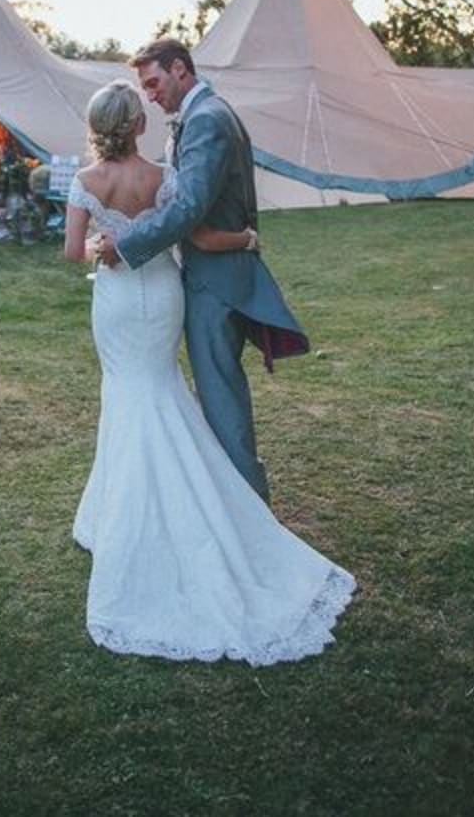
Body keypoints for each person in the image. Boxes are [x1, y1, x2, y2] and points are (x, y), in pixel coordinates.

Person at [64, 79, 352, 665]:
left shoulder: (87, 182)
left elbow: (74, 253)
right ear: (137, 125)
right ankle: (136, 503)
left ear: (97, 126)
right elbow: (192, 233)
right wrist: (244, 236)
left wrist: (103, 243)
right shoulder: (163, 178)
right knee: (161, 387)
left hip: (118, 301)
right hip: (165, 295)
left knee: (125, 393)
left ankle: (126, 516)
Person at [97, 38, 309, 503]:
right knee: (216, 393)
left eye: (154, 83)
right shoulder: (206, 115)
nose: (150, 95)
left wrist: (127, 243)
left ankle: (250, 511)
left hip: (216, 280)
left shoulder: (208, 120)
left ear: (180, 70)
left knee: (220, 395)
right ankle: (230, 502)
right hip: (214, 271)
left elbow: (190, 205)